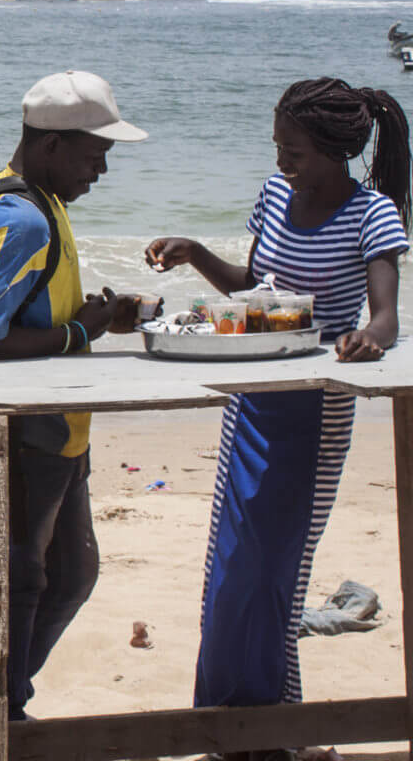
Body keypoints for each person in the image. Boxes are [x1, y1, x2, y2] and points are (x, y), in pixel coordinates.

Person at [146, 78, 408, 740]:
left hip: (316, 407)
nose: (281, 162)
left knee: (278, 568)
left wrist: (366, 340)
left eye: (293, 152)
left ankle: (275, 730)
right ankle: (227, 725)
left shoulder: (370, 214)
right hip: (252, 394)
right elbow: (255, 291)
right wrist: (195, 253)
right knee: (232, 564)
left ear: (335, 151)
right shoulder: (272, 195)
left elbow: (384, 318)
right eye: (277, 148)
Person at [0, 70, 147, 721]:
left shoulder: (46, 201)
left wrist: (97, 321)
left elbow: (33, 314)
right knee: (27, 576)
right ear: (53, 146)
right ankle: (1, 713)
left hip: (62, 429)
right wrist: (78, 333)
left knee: (71, 573)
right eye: (95, 157)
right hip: (29, 434)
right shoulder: (23, 218)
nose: (101, 172)